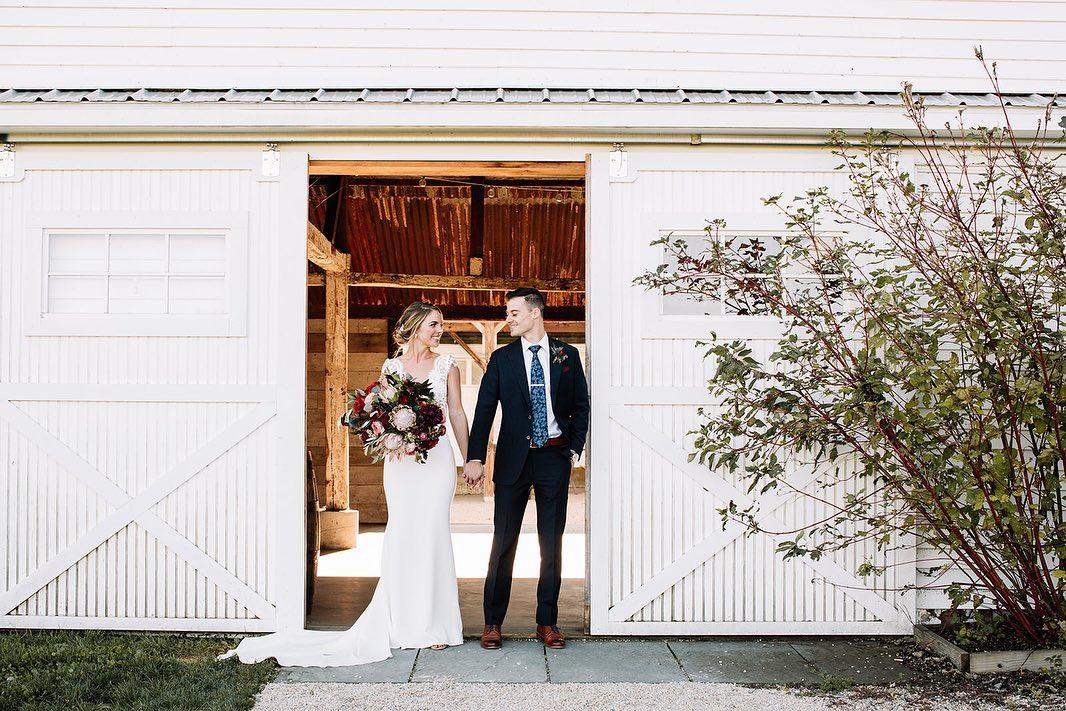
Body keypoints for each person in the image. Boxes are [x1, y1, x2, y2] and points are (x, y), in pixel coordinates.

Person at [219, 301, 468, 666]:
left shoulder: (448, 365)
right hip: (401, 462)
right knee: (402, 533)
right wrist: (388, 438)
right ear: (416, 326)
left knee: (433, 532)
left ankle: (435, 625)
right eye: (434, 324)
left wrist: (471, 459)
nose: (439, 330)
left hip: (436, 460)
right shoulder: (392, 367)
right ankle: (402, 621)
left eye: (441, 324)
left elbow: (457, 412)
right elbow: (380, 414)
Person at [465, 287, 590, 650]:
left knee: (551, 543)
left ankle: (546, 622)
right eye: (508, 313)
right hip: (512, 461)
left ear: (535, 313)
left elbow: (581, 406)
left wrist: (573, 449)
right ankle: (492, 622)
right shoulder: (501, 359)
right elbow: (484, 410)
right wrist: (475, 457)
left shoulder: (567, 355)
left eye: (514, 313)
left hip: (553, 458)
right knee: (503, 542)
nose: (509, 319)